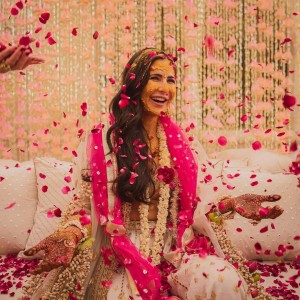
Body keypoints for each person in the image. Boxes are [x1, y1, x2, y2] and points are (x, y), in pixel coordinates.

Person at [22, 48, 276, 300]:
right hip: (123, 249)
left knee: (224, 283)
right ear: (135, 84)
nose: (164, 88)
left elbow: (201, 197)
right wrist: (70, 233)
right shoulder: (103, 141)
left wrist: (231, 204)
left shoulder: (183, 141)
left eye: (171, 80)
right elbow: (84, 204)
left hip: (177, 247)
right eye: (155, 78)